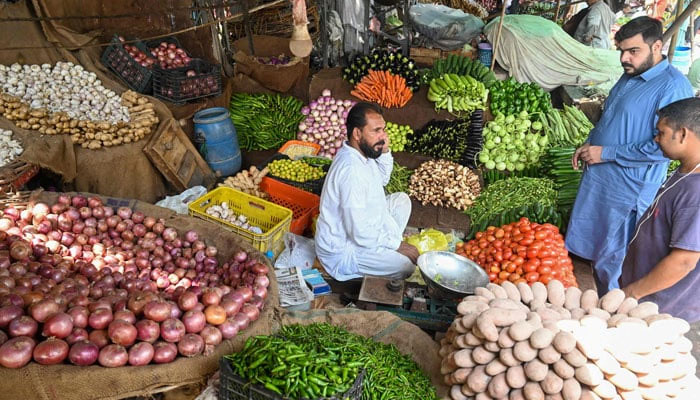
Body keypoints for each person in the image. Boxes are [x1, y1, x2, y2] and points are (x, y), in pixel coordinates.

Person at [566, 17, 694, 296]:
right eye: (621, 51)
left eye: (633, 51)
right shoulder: (630, 74)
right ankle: (587, 300)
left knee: (613, 258)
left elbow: (659, 148)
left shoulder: (672, 88)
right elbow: (610, 118)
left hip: (627, 189)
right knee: (590, 248)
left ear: (657, 46)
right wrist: (590, 143)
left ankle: (610, 313)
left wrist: (606, 152)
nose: (625, 58)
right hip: (600, 180)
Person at [619, 99, 700, 372]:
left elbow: (684, 260)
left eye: (662, 132)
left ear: (684, 134)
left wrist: (632, 292)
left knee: (651, 373)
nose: (656, 138)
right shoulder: (686, 171)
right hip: (650, 296)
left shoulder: (696, 192)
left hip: (665, 306)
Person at [314, 102, 418, 281]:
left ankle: (384, 247)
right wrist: (397, 245)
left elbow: (382, 179)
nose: (383, 136)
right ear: (357, 133)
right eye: (376, 131)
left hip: (362, 228)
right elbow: (359, 233)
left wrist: (384, 151)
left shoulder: (361, 152)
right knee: (405, 267)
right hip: (345, 250)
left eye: (383, 130)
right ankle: (384, 249)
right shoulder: (351, 171)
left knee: (401, 200)